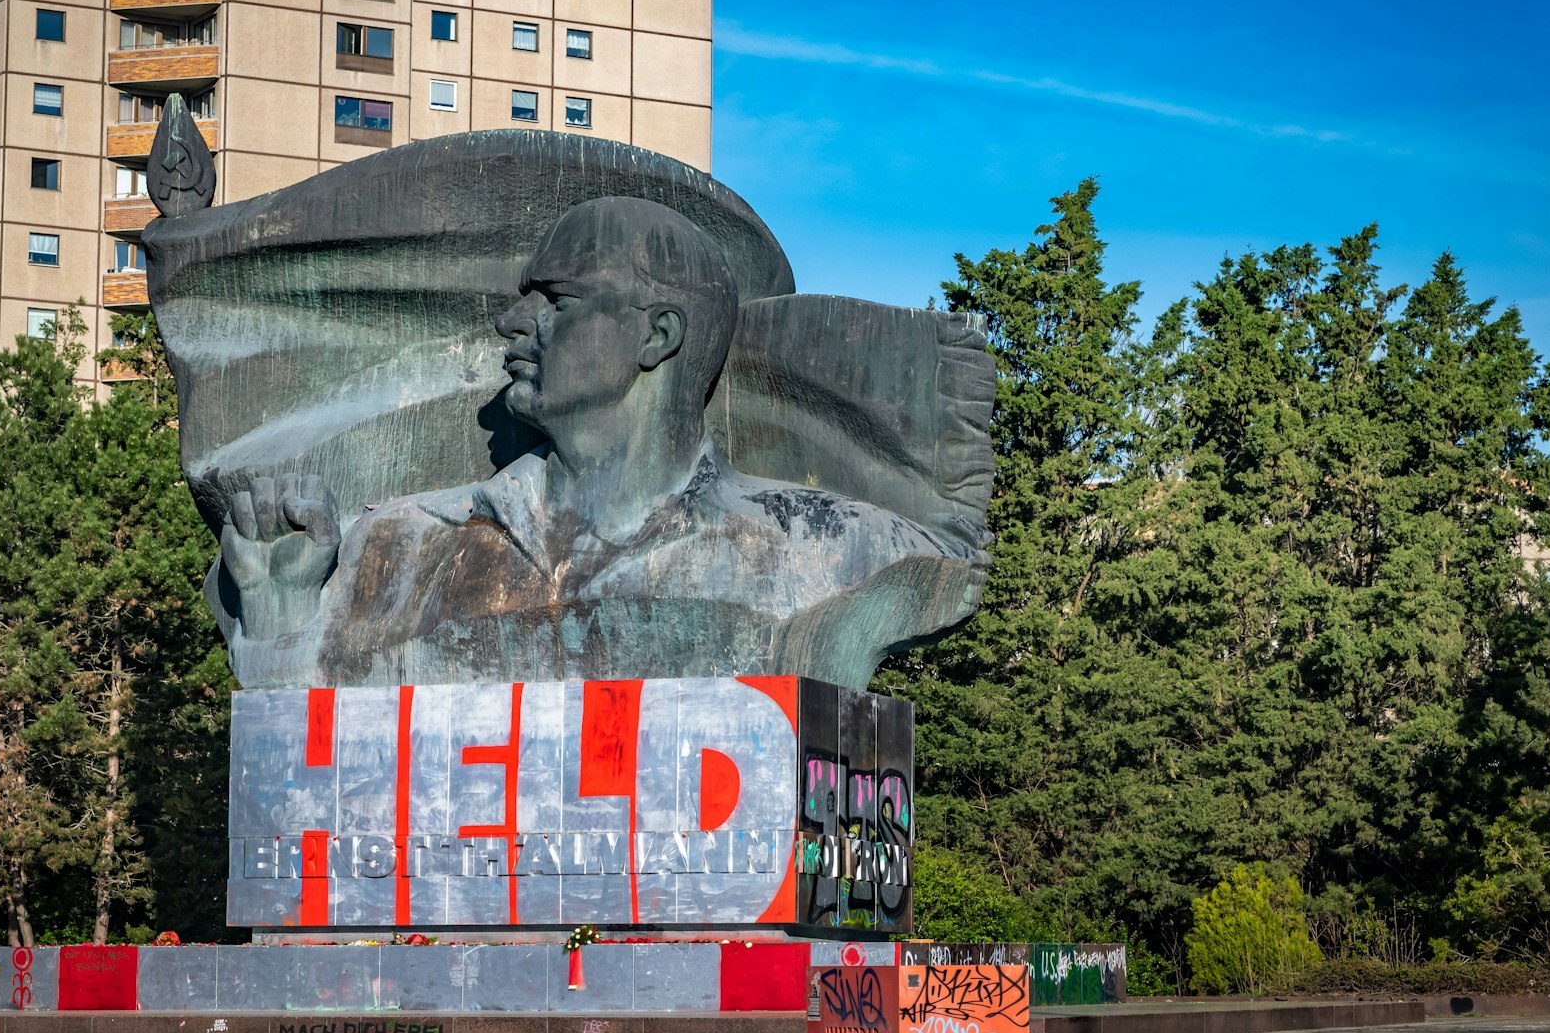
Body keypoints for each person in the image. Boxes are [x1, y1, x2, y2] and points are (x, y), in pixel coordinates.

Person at [217, 197, 986, 689]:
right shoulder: (395, 547)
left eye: (556, 299)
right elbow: (323, 782)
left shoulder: (837, 552)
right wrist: (278, 617)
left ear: (657, 335)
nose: (512, 325)